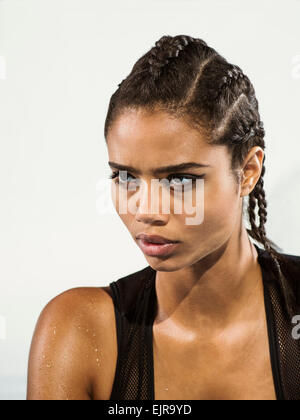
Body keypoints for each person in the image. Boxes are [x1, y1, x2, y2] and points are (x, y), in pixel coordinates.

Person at [26, 35, 300, 400]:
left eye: (180, 179)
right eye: (126, 177)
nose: (146, 210)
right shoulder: (79, 330)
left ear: (248, 171)